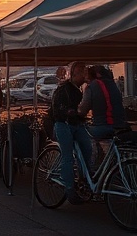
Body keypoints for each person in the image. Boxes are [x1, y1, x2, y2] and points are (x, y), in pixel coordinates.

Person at [51, 61, 92, 205]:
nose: (85, 76)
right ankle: (69, 189)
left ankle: (84, 180)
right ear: (75, 74)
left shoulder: (79, 89)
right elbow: (57, 109)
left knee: (87, 149)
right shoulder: (64, 89)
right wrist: (68, 112)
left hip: (76, 124)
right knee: (68, 157)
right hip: (64, 125)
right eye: (83, 73)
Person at [79, 65, 126, 139]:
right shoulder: (113, 84)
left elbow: (83, 110)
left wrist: (75, 112)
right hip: (120, 125)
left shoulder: (91, 87)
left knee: (79, 132)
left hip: (103, 125)